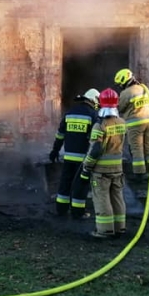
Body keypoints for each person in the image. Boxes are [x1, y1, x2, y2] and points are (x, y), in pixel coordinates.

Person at [80, 88, 126, 238]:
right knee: (117, 197)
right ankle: (120, 227)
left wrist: (86, 167)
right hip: (118, 169)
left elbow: (95, 149)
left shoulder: (99, 126)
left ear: (100, 104)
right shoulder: (122, 123)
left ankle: (105, 230)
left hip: (101, 171)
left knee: (102, 198)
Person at [48, 88, 100, 218]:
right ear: (93, 100)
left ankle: (61, 209)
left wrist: (55, 151)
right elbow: (94, 139)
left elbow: (60, 135)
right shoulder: (92, 115)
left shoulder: (69, 113)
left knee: (65, 182)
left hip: (68, 157)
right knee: (80, 185)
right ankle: (77, 213)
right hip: (83, 159)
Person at [114, 68, 149, 185]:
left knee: (137, 149)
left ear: (124, 81)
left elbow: (120, 108)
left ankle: (139, 175)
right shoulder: (143, 89)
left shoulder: (126, 93)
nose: (119, 86)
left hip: (134, 124)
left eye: (120, 84)